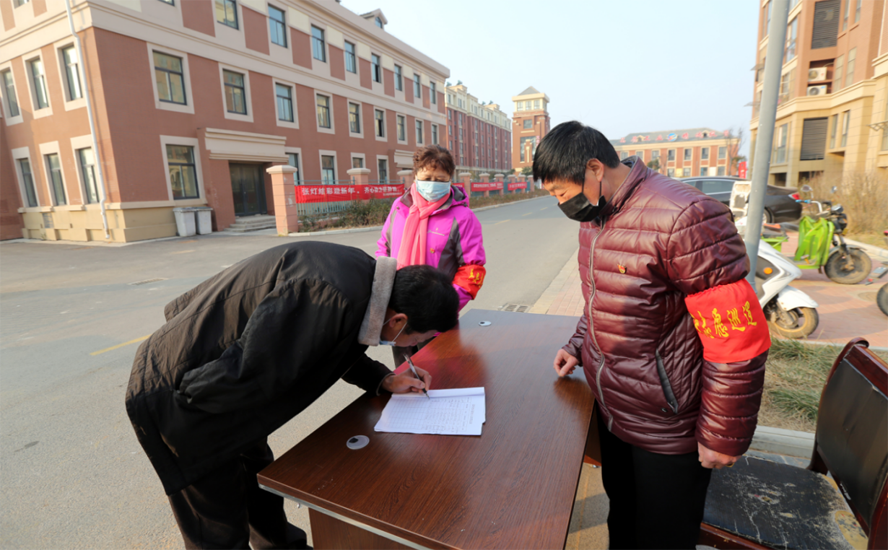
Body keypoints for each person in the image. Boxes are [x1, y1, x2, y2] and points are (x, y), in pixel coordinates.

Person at [125, 241, 459, 550]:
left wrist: (384, 379)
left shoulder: (363, 282)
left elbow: (327, 342)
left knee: (259, 488)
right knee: (218, 526)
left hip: (224, 387)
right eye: (418, 338)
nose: (413, 346)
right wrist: (189, 402)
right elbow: (250, 371)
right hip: (185, 394)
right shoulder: (329, 294)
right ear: (398, 320)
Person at [534, 121, 770, 550]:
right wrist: (577, 345)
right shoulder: (596, 216)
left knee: (663, 536)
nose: (560, 204)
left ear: (594, 169)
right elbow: (602, 300)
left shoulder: (684, 217)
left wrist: (722, 433)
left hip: (666, 423)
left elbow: (736, 339)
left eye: (561, 192)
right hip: (614, 407)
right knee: (622, 515)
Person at [377, 145, 486, 364]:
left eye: (440, 179)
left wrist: (445, 305)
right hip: (398, 313)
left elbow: (472, 269)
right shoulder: (399, 207)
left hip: (435, 316)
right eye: (427, 178)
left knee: (437, 373)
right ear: (415, 175)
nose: (433, 184)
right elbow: (384, 248)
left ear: (450, 179)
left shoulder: (462, 217)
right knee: (404, 372)